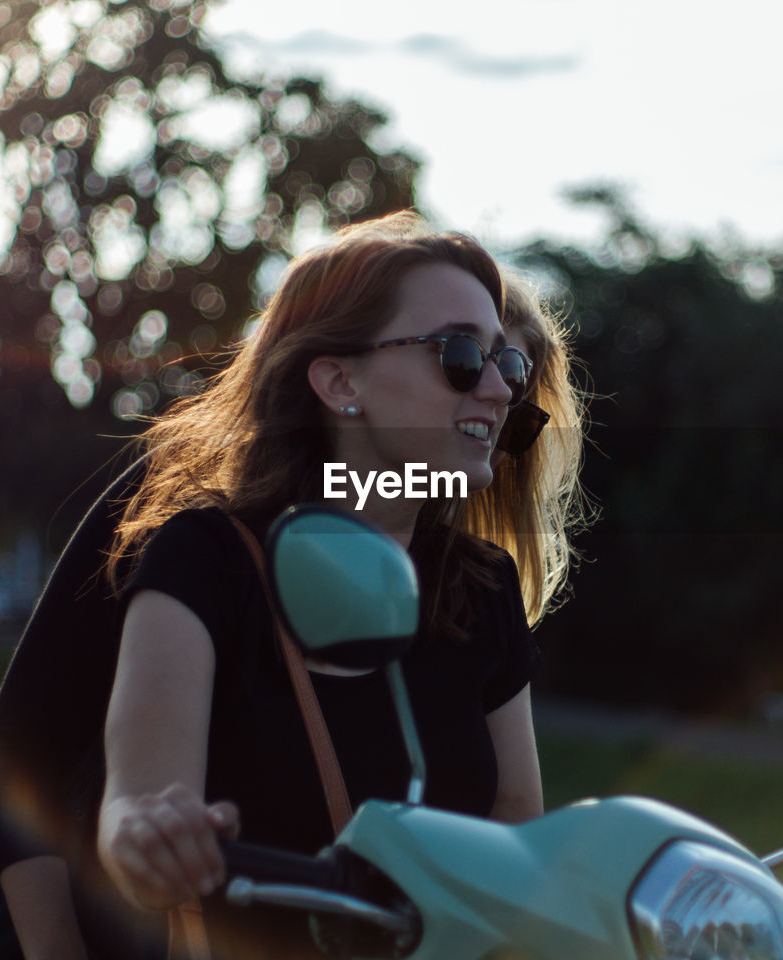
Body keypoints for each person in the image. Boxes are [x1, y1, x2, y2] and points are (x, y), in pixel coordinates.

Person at [92, 212, 587, 958]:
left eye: (505, 365)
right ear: (338, 379)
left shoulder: (481, 585)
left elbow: (516, 841)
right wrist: (148, 838)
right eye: (458, 355)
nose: (496, 388)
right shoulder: (207, 558)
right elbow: (136, 805)